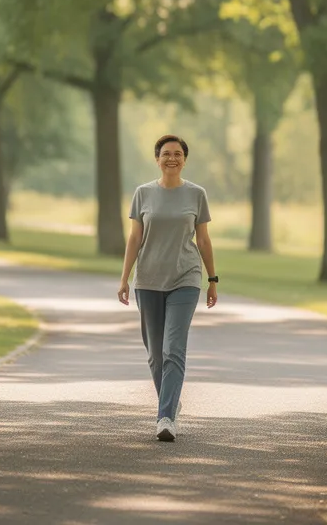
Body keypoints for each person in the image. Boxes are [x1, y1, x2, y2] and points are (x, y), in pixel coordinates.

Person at [118, 134, 218, 442]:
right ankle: (171, 401)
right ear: (157, 159)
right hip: (148, 280)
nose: (171, 158)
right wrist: (124, 278)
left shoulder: (196, 194)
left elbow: (202, 240)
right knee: (155, 356)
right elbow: (135, 238)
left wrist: (212, 280)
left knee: (173, 349)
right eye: (165, 153)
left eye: (177, 153)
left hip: (185, 279)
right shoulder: (143, 193)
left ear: (184, 159)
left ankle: (165, 417)